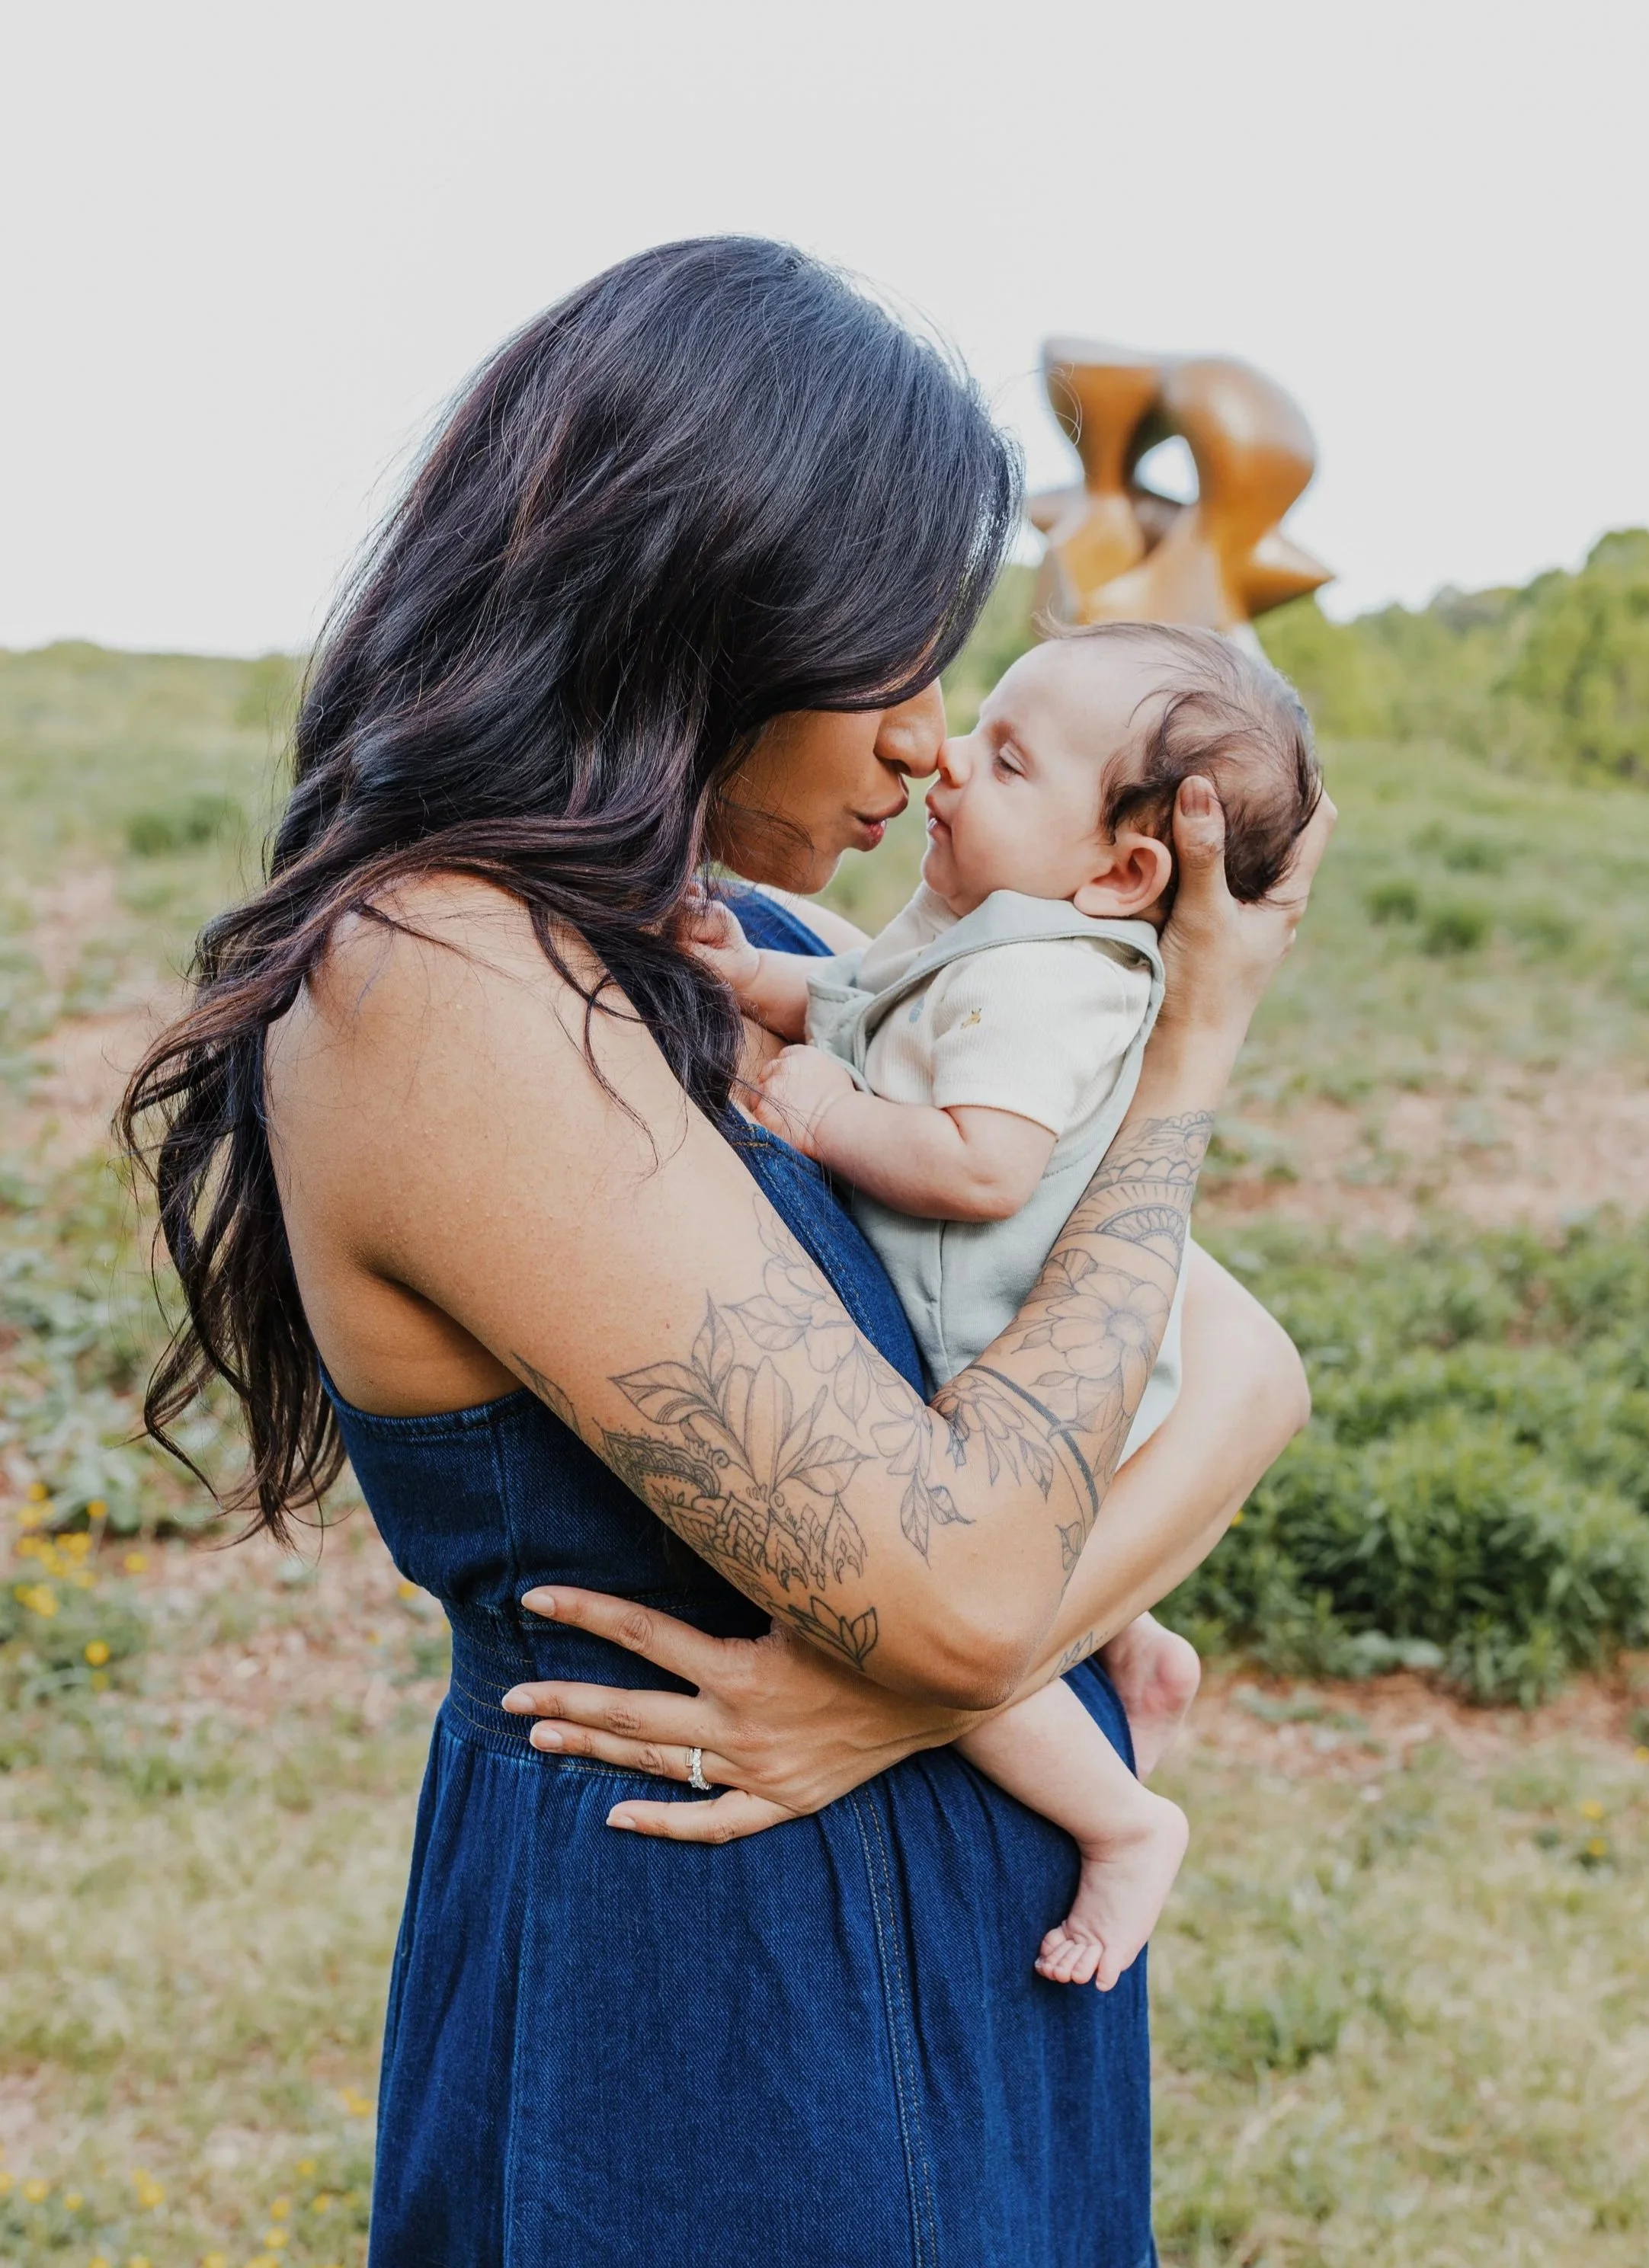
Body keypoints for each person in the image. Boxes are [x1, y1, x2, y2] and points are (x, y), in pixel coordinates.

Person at [123, 238, 1330, 2268]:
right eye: (891, 658)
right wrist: (1189, 1057)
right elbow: (955, 1592)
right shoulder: (439, 983)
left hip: (958, 1923)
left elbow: (1252, 1373)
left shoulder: (766, 954)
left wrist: (905, 1702)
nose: (927, 747)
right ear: (702, 609)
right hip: (705, 1974)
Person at [687, 621, 1322, 1991]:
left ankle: (1124, 1817)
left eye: (1009, 759)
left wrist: (825, 1111)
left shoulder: (1055, 983)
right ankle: (1144, 1651)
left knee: (971, 1652)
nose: (949, 763)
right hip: (1014, 1354)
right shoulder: (981, 934)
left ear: (1125, 870)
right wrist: (749, 978)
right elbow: (851, 1000)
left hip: (1006, 1370)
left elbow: (983, 1164)